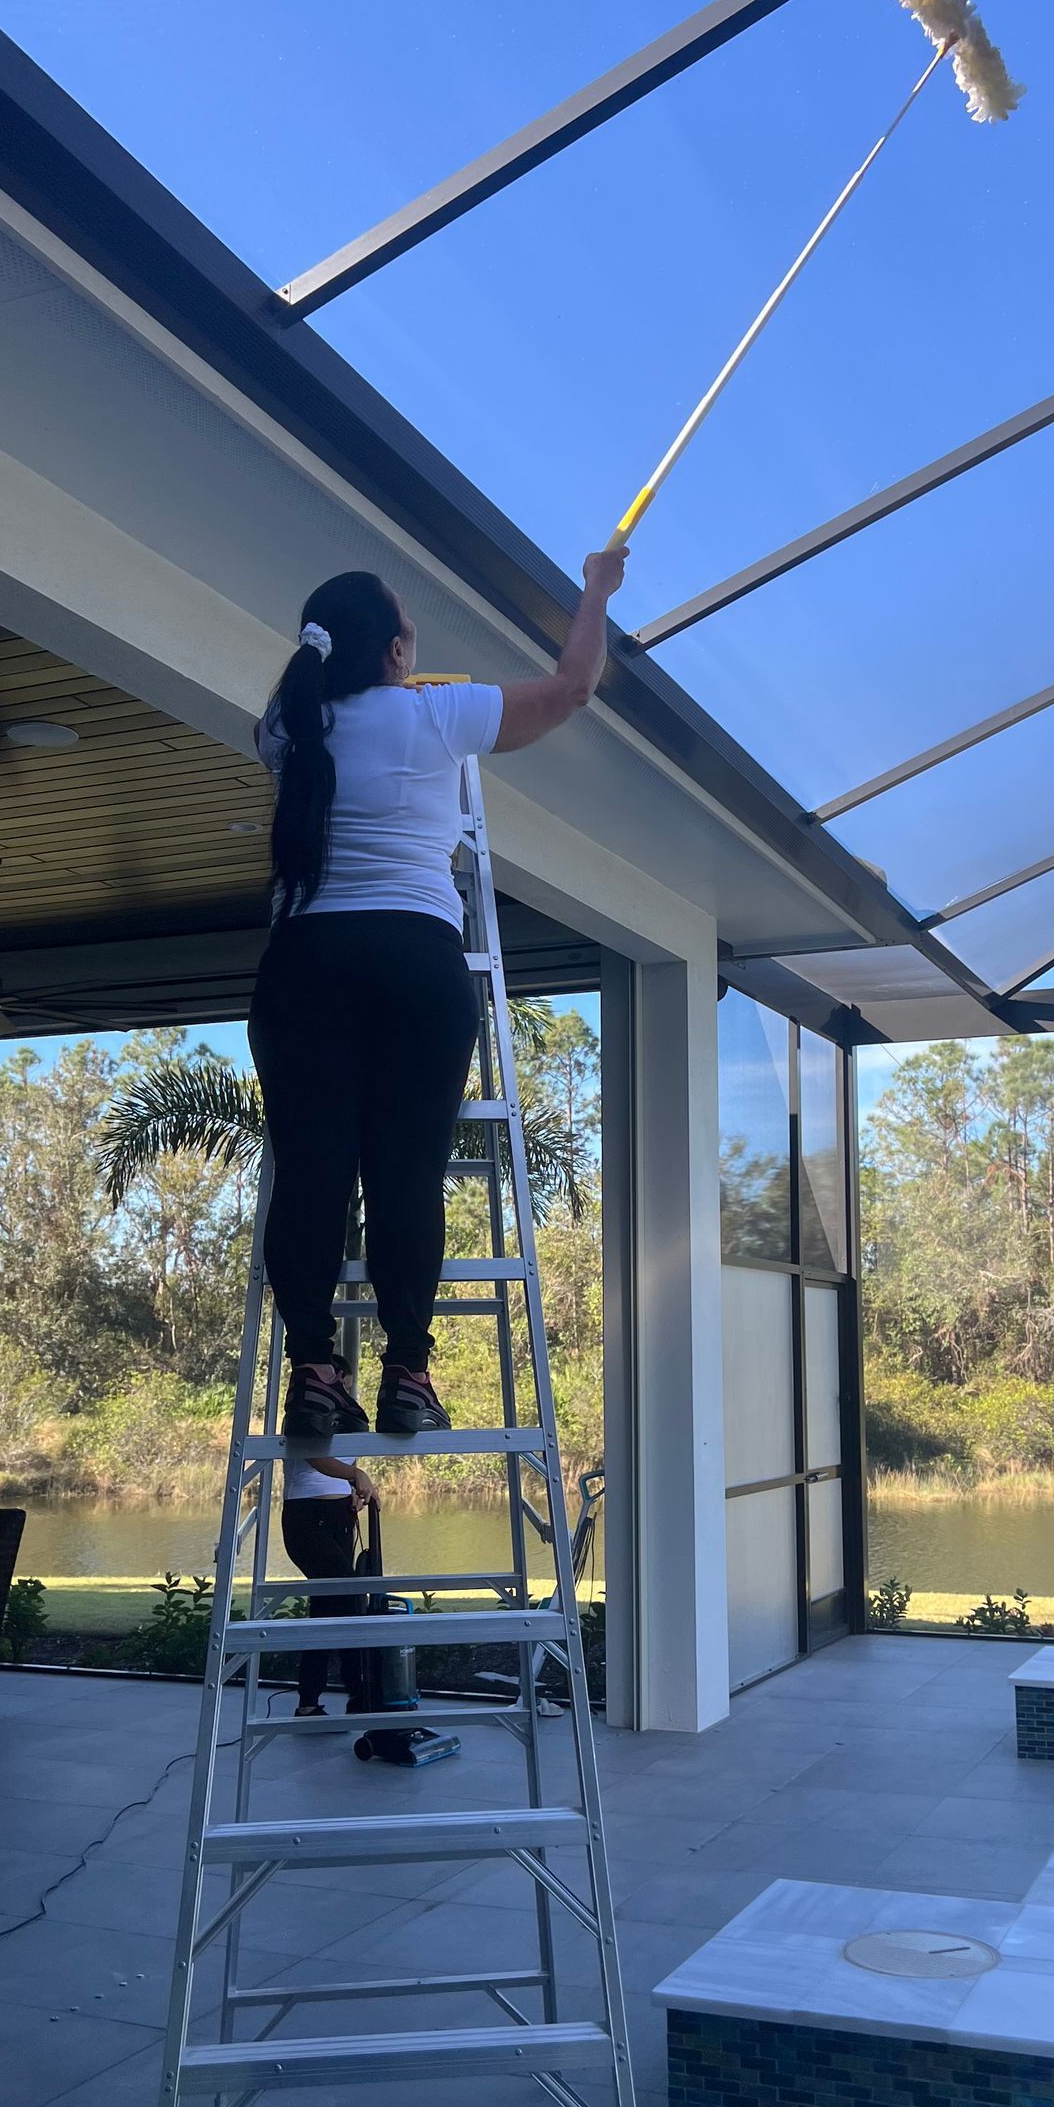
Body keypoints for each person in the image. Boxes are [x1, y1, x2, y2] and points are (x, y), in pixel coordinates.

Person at [249, 546, 627, 1441]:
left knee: (311, 1172)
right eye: (408, 636)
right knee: (406, 1170)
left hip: (302, 963)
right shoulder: (434, 717)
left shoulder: (284, 727)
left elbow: (302, 699)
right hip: (416, 963)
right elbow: (574, 686)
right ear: (393, 654)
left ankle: (312, 1368)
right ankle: (408, 1372)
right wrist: (596, 592)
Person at [281, 1453, 376, 1714]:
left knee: (327, 1606)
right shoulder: (305, 1410)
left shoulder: (350, 1412)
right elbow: (314, 1455)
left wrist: (353, 1486)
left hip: (340, 1513)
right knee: (347, 1599)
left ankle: (309, 1703)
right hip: (307, 1515)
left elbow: (348, 1455)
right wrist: (356, 1476)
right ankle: (360, 1693)